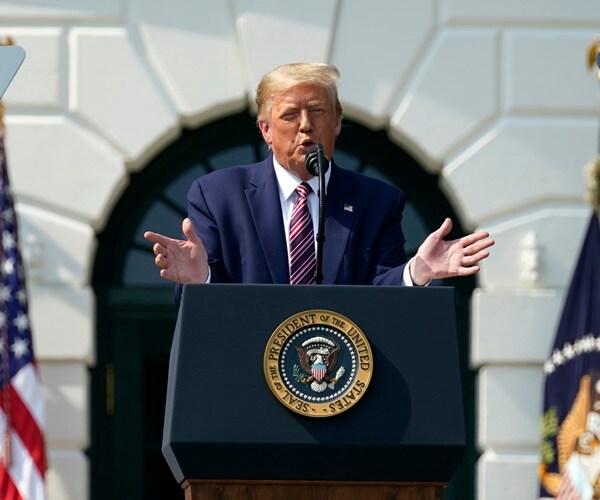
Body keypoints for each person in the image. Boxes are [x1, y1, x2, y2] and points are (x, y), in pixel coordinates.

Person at [144, 62, 494, 301]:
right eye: (290, 115)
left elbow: (380, 291)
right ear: (265, 129)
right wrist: (200, 279)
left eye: (318, 112)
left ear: (338, 122)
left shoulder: (377, 201)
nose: (306, 125)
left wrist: (415, 271)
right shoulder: (218, 195)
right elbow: (208, 305)